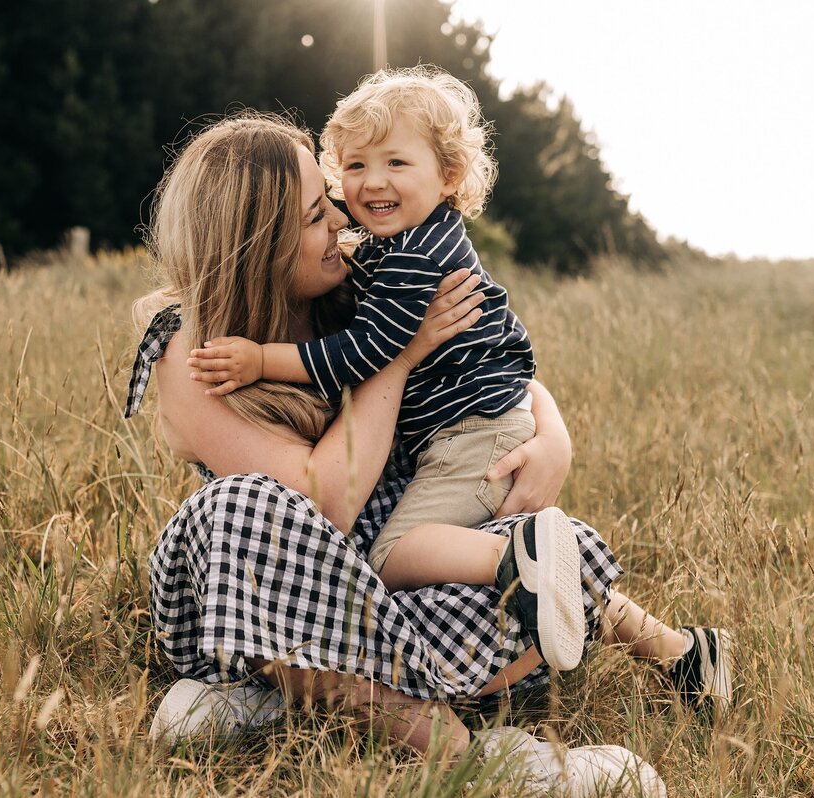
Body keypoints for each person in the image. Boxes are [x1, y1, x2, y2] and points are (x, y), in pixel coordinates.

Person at [126, 112, 729, 796]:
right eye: (314, 215)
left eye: (330, 200)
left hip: (387, 586)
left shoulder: (351, 283)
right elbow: (323, 502)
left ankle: (278, 702)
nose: (340, 221)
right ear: (254, 245)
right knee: (244, 506)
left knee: (566, 556)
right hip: (265, 586)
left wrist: (550, 431)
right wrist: (398, 357)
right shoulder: (189, 349)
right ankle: (477, 759)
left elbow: (487, 366)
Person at [186, 67, 581, 671]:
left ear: (448, 176)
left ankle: (515, 560)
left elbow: (366, 353)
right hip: (467, 433)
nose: (370, 187)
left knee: (393, 556)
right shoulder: (401, 245)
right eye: (355, 167)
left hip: (468, 440)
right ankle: (638, 630)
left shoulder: (415, 260)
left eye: (396, 164)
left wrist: (262, 359)